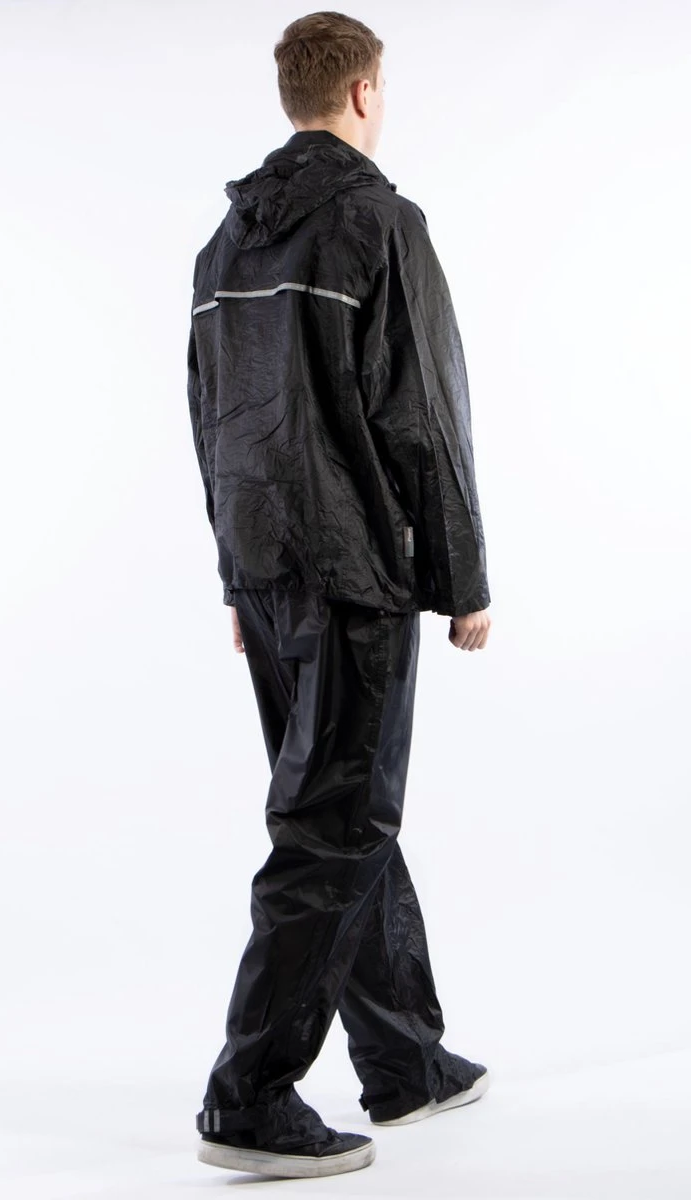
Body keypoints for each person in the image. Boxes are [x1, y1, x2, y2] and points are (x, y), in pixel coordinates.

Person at [186, 10, 492, 1181]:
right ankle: (248, 1097)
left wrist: (235, 571)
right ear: (362, 93)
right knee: (333, 825)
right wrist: (462, 581)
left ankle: (403, 1057)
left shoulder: (223, 246)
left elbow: (211, 420)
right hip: (356, 574)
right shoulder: (379, 223)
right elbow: (425, 416)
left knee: (339, 810)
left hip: (267, 575)